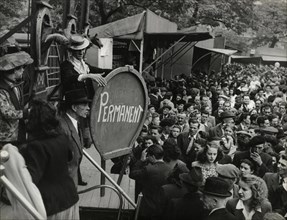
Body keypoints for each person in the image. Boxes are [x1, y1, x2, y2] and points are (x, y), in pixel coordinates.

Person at [22, 99, 79, 219]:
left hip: (52, 204)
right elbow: (69, 156)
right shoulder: (62, 137)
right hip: (70, 196)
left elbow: (31, 179)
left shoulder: (36, 146)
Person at [59, 89, 91, 186]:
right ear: (74, 107)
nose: (88, 108)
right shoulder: (62, 127)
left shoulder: (76, 122)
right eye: (84, 105)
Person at [0, 51, 33, 144]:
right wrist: (26, 113)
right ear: (13, 70)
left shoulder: (15, 85)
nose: (23, 70)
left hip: (18, 131)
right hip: (6, 137)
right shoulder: (1, 90)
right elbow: (7, 112)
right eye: (21, 68)